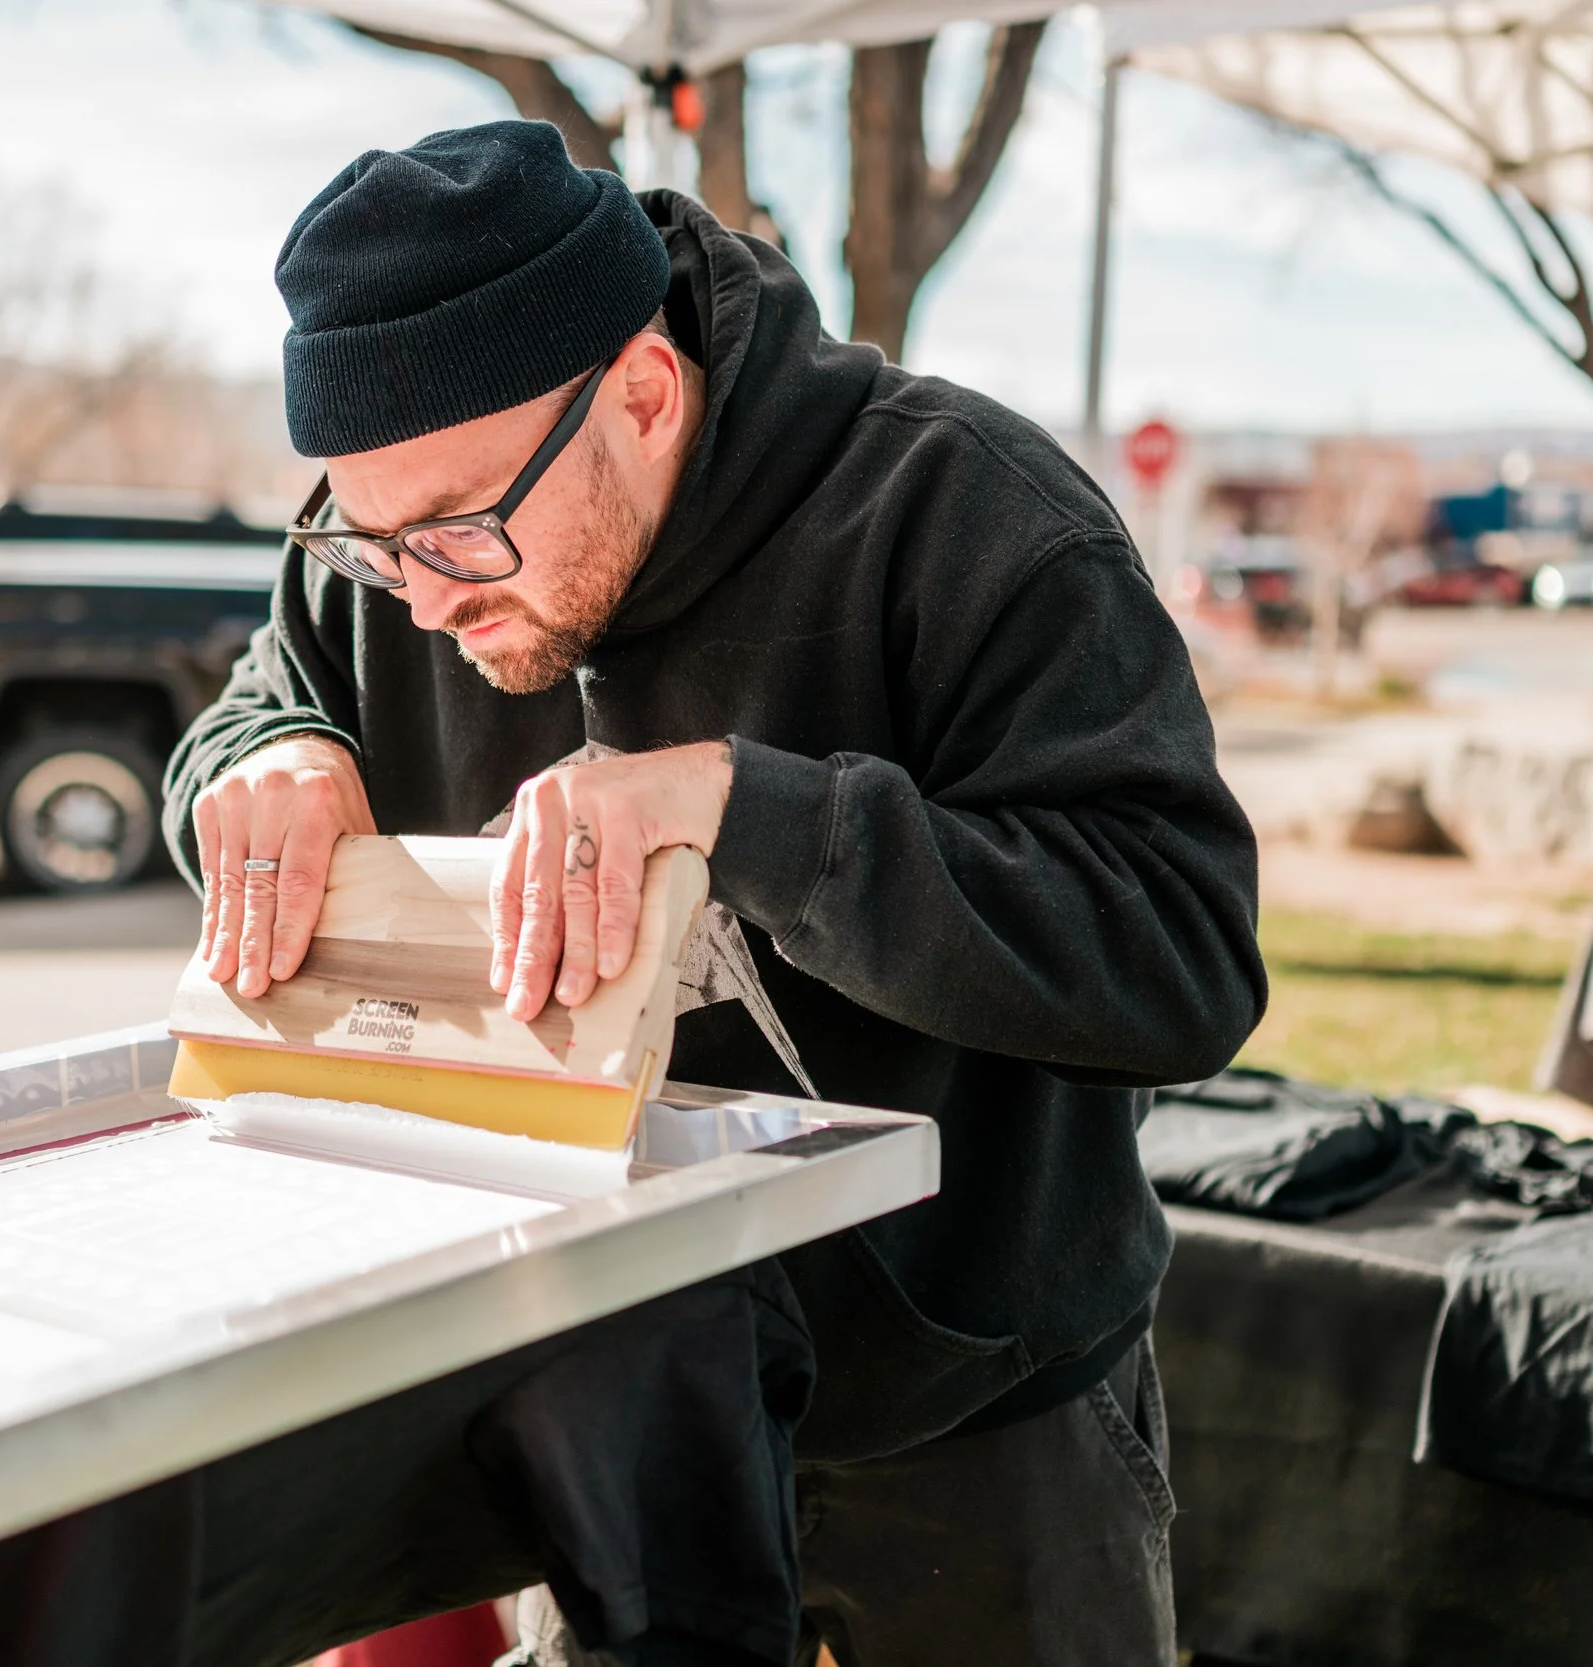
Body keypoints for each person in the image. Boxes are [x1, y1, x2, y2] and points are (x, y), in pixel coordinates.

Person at [164, 120, 1266, 1667]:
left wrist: (758, 812)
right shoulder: (396, 564)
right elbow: (257, 700)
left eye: (466, 529)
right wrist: (256, 749)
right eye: (374, 538)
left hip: (972, 1418)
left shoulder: (972, 520)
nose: (427, 599)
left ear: (644, 391)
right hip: (598, 1393)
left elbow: (1181, 961)